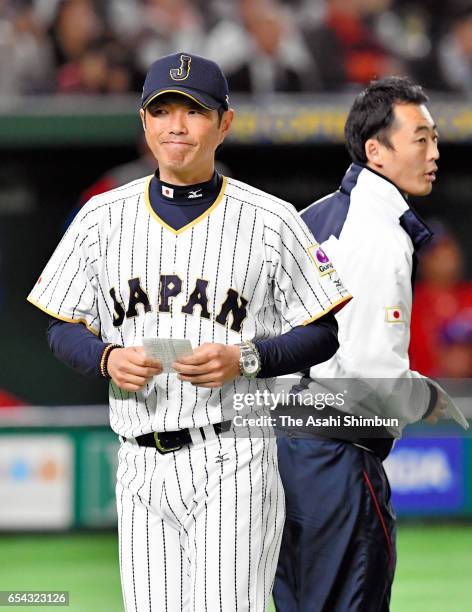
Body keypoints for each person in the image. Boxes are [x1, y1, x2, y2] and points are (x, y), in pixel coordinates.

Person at [27, 52, 351, 611]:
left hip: (234, 453)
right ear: (144, 122)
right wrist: (105, 358)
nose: (177, 126)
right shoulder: (101, 218)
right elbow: (62, 325)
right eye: (163, 110)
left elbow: (322, 330)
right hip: (138, 462)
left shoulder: (272, 219)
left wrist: (245, 357)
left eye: (194, 111)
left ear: (224, 123)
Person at [273, 76, 466, 612]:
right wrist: (426, 399)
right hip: (335, 455)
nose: (434, 152)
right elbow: (371, 375)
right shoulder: (381, 233)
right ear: (376, 151)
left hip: (280, 450)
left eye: (434, 138)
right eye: (421, 139)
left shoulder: (313, 214)